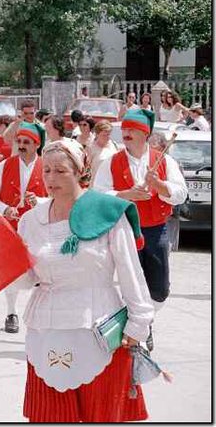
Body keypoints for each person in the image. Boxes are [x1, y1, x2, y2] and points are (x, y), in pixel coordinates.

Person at [18, 139, 154, 422]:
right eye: (47, 171)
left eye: (60, 171)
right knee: (51, 416)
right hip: (46, 329)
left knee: (102, 416)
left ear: (81, 171)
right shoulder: (31, 221)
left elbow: (131, 272)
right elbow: (26, 278)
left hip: (101, 331)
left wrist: (139, 324)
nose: (51, 179)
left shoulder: (108, 213)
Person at [93, 109, 187, 350]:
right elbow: (98, 195)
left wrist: (160, 186)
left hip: (156, 229)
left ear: (145, 133)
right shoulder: (111, 162)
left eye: (132, 129)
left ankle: (146, 322)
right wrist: (126, 194)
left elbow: (180, 194)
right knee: (130, 284)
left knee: (159, 289)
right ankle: (135, 331)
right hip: (125, 229)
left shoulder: (164, 160)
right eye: (124, 129)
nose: (126, 133)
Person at [0, 122, 47, 334]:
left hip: (38, 227)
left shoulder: (47, 166)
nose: (21, 145)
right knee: (11, 271)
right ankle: (11, 312)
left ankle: (42, 313)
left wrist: (38, 200)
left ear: (36, 144)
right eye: (19, 141)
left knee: (43, 270)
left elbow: (57, 197)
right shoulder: (5, 166)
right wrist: (5, 209)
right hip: (11, 227)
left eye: (26, 142)